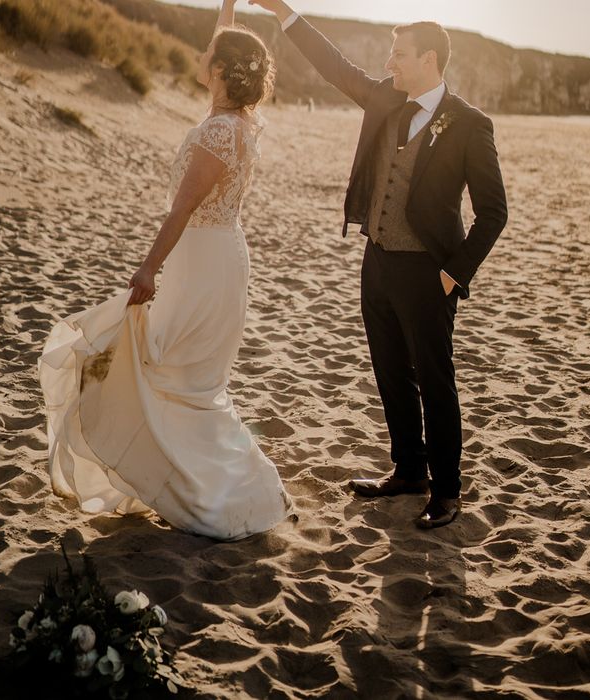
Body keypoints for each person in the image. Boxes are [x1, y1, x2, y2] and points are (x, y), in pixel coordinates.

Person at [38, 0, 292, 541]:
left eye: (209, 54)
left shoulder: (218, 133)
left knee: (170, 371)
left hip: (198, 260)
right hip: (223, 254)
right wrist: (226, 8)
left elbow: (180, 210)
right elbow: (226, 43)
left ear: (220, 72)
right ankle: (222, 481)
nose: (202, 54)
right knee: (191, 378)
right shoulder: (240, 122)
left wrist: (149, 268)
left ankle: (207, 492)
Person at [249, 0, 508, 528]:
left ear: (430, 60)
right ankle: (409, 470)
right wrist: (282, 12)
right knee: (391, 373)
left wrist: (453, 273)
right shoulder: (387, 100)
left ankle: (447, 490)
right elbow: (334, 65)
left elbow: (493, 213)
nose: (391, 64)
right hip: (378, 262)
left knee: (435, 380)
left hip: (428, 274)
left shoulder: (470, 125)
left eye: (400, 55)